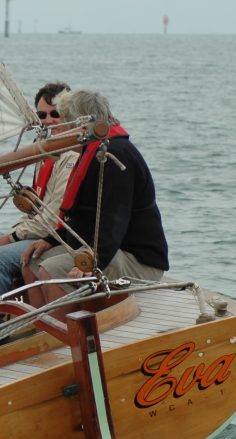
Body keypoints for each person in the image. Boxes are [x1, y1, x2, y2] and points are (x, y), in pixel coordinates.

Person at [0, 82, 79, 343]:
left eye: (55, 114)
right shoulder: (47, 152)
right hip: (40, 230)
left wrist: (13, 237)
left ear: (68, 114)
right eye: (42, 115)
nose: (48, 121)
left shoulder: (70, 155)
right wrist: (14, 232)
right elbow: (37, 211)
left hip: (60, 239)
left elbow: (52, 217)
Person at [23, 89, 169, 309]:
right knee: (32, 261)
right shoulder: (94, 152)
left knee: (50, 271)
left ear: (80, 125)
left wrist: (93, 262)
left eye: (67, 123)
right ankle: (41, 325)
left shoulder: (113, 157)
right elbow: (85, 215)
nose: (62, 130)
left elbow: (114, 220)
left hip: (136, 259)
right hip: (105, 247)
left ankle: (62, 338)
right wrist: (51, 240)